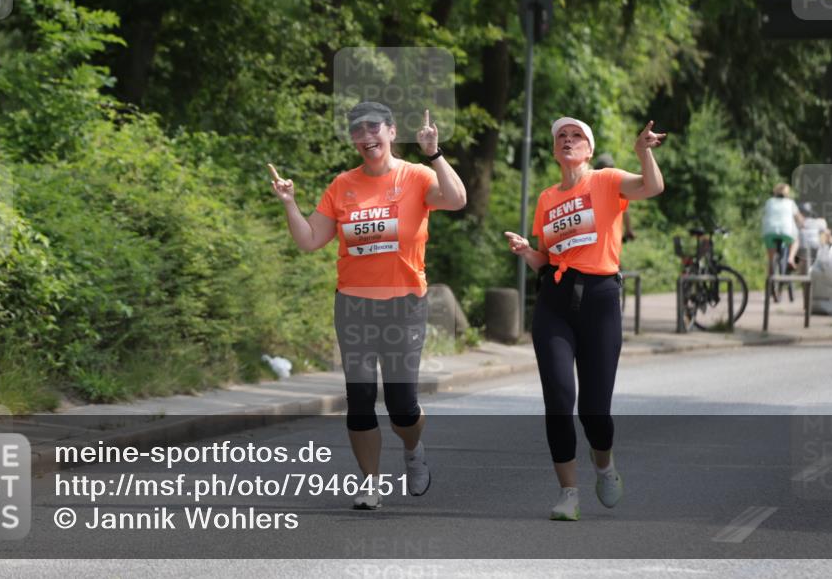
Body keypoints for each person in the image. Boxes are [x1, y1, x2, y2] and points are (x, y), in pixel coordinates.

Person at [269, 101, 466, 510]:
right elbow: (309, 240)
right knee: (359, 396)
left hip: (405, 305)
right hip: (354, 305)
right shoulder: (343, 185)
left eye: (373, 127)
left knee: (402, 405)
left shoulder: (417, 175)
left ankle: (413, 451)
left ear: (392, 131)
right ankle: (371, 483)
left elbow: (457, 199)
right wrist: (289, 202)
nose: (365, 137)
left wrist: (434, 152)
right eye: (357, 131)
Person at [504, 117, 665, 521]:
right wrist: (528, 252)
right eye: (561, 136)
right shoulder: (546, 198)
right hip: (555, 299)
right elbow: (549, 257)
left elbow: (652, 187)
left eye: (576, 136)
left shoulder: (607, 180)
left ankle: (604, 464)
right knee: (559, 400)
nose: (568, 140)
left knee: (595, 411)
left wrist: (643, 152)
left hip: (600, 298)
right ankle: (568, 493)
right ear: (555, 150)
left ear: (589, 149)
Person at [761, 183, 804, 281]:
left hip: (769, 231)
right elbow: (799, 219)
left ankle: (770, 284)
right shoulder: (790, 203)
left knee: (771, 259)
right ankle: (790, 258)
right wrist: (802, 224)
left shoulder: (769, 202)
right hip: (786, 232)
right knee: (796, 241)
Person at [593, 153, 635, 242]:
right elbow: (625, 211)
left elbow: (624, 210)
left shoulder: (589, 185)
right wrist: (628, 230)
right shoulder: (615, 188)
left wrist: (628, 230)